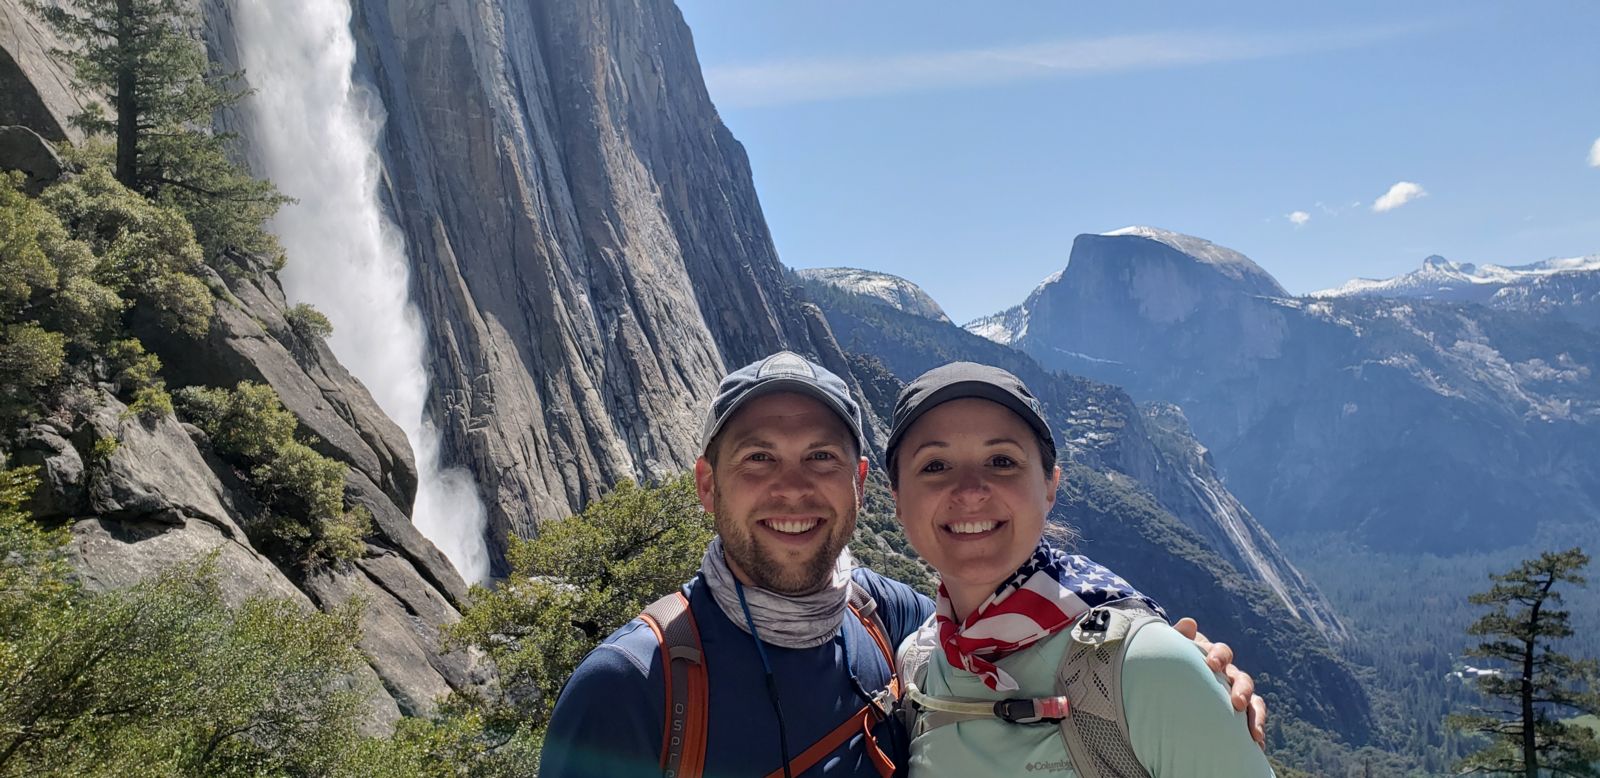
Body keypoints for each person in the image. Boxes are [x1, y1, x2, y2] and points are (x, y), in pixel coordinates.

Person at [538, 351, 1262, 778]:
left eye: (820, 457)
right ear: (706, 484)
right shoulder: (632, 689)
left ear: (859, 486)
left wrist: (1180, 675)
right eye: (758, 457)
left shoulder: (900, 628)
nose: (792, 487)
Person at [885, 362, 1276, 777]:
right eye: (934, 466)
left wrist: (1185, 677)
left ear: (1050, 485)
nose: (969, 491)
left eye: (1001, 461)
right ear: (896, 499)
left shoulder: (1145, 667)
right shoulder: (919, 663)